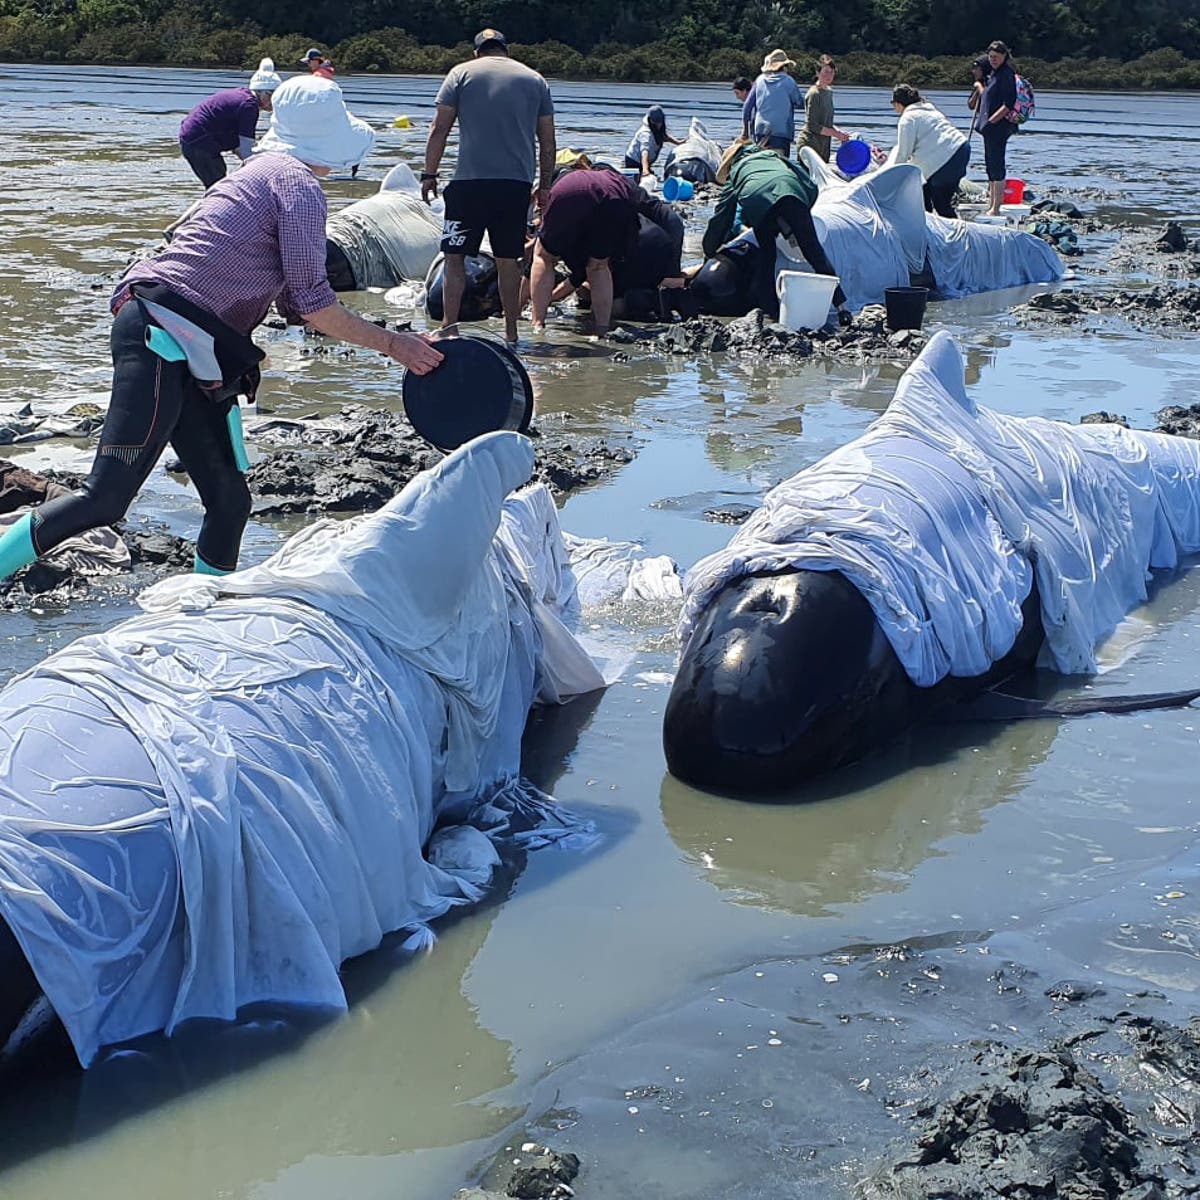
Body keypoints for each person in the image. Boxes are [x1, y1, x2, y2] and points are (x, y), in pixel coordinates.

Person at [0, 76, 443, 587]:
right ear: (330, 143)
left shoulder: (256, 171)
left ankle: (207, 608)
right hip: (160, 332)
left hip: (186, 340)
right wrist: (396, 346)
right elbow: (316, 306)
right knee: (106, 497)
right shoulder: (298, 186)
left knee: (230, 500)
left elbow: (275, 288)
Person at [422, 28, 556, 344]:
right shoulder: (535, 80)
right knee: (508, 260)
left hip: (468, 184)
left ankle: (448, 327)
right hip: (514, 185)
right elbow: (547, 142)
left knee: (455, 256)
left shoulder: (460, 74)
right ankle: (510, 333)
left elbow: (439, 128)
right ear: (505, 50)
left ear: (476, 53)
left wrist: (429, 173)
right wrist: (545, 186)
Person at [702, 139, 851, 326]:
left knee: (767, 257)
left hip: (759, 202)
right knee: (815, 252)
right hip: (792, 192)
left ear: (731, 162)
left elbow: (722, 217)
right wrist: (804, 212)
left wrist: (709, 249)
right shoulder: (773, 155)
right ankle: (842, 308)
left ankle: (770, 312)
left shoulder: (736, 172)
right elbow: (807, 181)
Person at [529, 166, 640, 335]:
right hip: (619, 193)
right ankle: (601, 328)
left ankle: (538, 323)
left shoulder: (562, 183)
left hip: (574, 189)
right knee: (599, 265)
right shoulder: (602, 175)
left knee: (544, 256)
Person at [178, 58, 281, 188]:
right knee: (218, 187)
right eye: (274, 97)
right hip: (198, 141)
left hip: (192, 138)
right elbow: (246, 150)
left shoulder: (243, 97)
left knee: (219, 181)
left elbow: (238, 146)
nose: (275, 102)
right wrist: (265, 172)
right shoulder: (249, 106)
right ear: (264, 93)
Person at [889, 84, 970, 218]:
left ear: (898, 103)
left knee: (941, 203)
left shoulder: (907, 118)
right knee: (929, 192)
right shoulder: (930, 110)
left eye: (893, 104)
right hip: (961, 148)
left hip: (945, 158)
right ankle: (933, 220)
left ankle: (953, 233)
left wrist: (892, 177)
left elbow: (904, 153)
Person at [976, 40, 1018, 215]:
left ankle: (996, 208)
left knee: (997, 164)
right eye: (991, 57)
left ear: (1004, 57)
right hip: (989, 128)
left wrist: (992, 121)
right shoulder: (993, 73)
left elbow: (1009, 103)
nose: (993, 60)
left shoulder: (1006, 74)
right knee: (989, 164)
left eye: (996, 57)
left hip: (1000, 127)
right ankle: (991, 203)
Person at [742, 49, 804, 157]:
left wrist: (746, 132)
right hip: (781, 131)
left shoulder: (759, 80)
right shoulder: (789, 81)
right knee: (781, 163)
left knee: (761, 160)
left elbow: (747, 107)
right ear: (784, 67)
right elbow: (799, 102)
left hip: (760, 130)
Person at [797, 54, 851, 163]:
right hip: (810, 146)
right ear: (818, 73)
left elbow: (826, 122)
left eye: (832, 72)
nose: (829, 75)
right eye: (826, 71)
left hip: (824, 146)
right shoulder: (814, 94)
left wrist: (839, 133)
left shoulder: (829, 92)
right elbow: (813, 125)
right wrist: (835, 134)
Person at [623, 105, 680, 177]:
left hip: (646, 161)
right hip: (634, 161)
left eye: (660, 121)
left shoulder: (658, 129)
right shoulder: (646, 133)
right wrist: (645, 170)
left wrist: (678, 142)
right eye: (656, 122)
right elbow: (644, 153)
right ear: (651, 120)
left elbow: (664, 137)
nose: (659, 124)